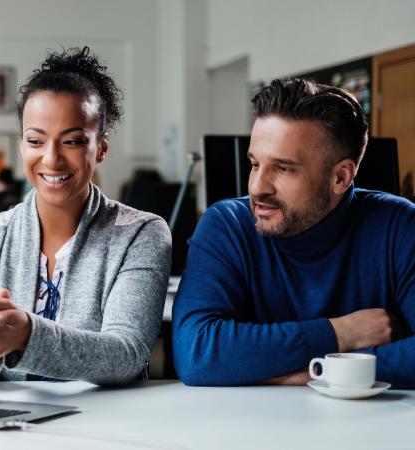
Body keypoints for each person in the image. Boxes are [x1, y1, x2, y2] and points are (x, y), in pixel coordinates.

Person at [0, 47, 171, 385]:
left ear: (102, 147)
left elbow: (127, 353)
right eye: (36, 140)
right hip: (5, 429)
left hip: (106, 430)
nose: (51, 159)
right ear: (22, 145)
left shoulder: (141, 234)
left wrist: (27, 336)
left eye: (72, 141)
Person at [172, 78, 415, 388]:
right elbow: (196, 353)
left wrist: (320, 373)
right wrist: (341, 334)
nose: (258, 187)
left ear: (340, 177)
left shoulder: (400, 226)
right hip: (251, 429)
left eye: (283, 168)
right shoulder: (226, 226)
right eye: (255, 163)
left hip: (375, 430)